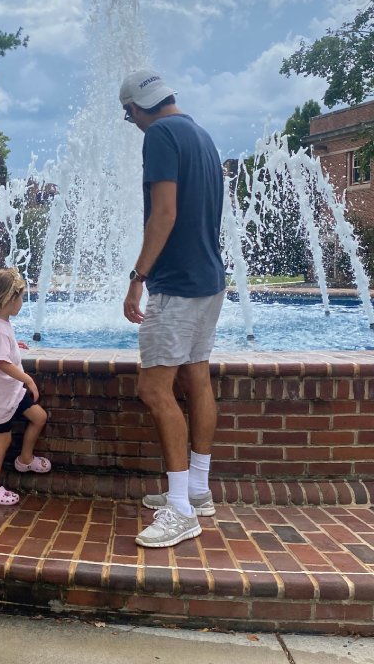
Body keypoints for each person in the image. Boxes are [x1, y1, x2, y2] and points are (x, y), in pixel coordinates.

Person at [119, 69, 225, 548]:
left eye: (129, 114)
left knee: (153, 388)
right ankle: (197, 489)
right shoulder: (201, 135)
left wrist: (137, 278)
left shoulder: (161, 134)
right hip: (209, 280)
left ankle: (181, 510)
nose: (132, 122)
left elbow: (165, 213)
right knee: (196, 377)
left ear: (141, 106)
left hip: (177, 284)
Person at [0, 268, 51, 505]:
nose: (22, 303)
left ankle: (25, 459)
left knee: (39, 417)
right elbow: (1, 361)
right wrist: (27, 379)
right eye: (21, 297)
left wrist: (14, 344)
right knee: (2, 441)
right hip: (2, 395)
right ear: (9, 299)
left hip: (9, 393)